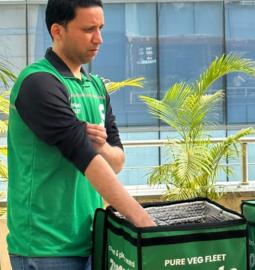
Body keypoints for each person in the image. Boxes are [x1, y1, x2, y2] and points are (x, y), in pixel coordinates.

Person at [7, 0, 155, 269]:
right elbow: (81, 154)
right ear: (57, 31)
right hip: (45, 247)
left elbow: (117, 160)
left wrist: (101, 146)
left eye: (100, 28)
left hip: (91, 239)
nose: (98, 38)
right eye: (88, 29)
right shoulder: (38, 82)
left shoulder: (96, 86)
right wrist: (142, 220)